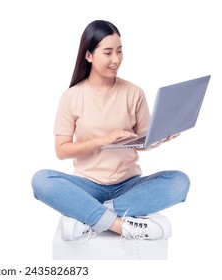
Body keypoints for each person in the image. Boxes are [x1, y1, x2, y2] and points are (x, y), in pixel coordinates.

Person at [31, 20, 189, 241]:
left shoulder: (134, 93)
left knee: (180, 182)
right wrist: (103, 140)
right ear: (88, 55)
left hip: (129, 184)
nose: (116, 60)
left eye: (119, 51)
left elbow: (141, 141)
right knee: (41, 180)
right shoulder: (71, 97)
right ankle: (119, 224)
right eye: (108, 52)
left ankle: (86, 213)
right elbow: (62, 150)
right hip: (87, 184)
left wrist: (157, 139)